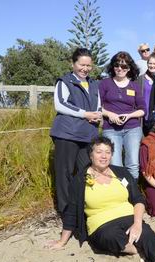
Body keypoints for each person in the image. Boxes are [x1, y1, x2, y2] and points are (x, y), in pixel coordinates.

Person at [46, 137, 155, 262]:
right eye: (99, 152)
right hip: (102, 225)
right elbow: (71, 212)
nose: (104, 156)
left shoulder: (121, 173)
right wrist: (62, 241)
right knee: (114, 238)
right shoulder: (80, 179)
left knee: (150, 239)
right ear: (90, 155)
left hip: (129, 218)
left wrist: (137, 224)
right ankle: (138, 250)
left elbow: (138, 199)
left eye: (108, 152)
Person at [50, 48, 102, 214]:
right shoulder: (64, 81)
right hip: (67, 134)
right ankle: (66, 212)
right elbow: (60, 104)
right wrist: (85, 114)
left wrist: (97, 115)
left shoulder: (94, 84)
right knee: (64, 173)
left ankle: (83, 208)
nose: (85, 68)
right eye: (82, 64)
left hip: (88, 135)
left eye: (88, 65)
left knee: (86, 172)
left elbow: (99, 105)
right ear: (73, 64)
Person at [99, 51, 145, 179]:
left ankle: (132, 194)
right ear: (113, 66)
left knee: (133, 164)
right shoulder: (104, 84)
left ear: (129, 68)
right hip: (111, 130)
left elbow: (142, 110)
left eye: (124, 66)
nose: (120, 68)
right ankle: (120, 195)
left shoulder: (134, 86)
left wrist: (128, 116)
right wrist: (109, 114)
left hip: (133, 129)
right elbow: (97, 107)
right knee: (116, 164)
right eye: (117, 65)